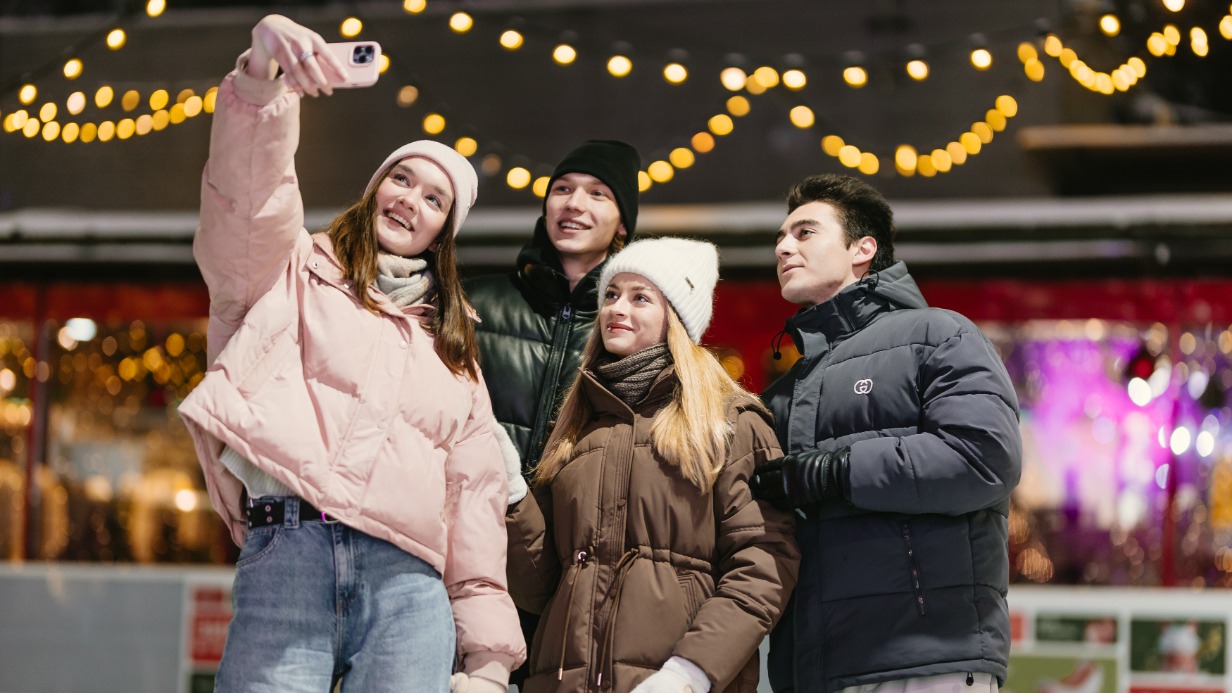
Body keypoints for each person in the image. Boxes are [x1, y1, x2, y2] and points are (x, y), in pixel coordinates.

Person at [176, 15, 524, 692]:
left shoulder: (454, 351)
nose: (411, 200)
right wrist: (261, 77)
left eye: (434, 199)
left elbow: (475, 504)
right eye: (402, 179)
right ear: (375, 189)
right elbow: (249, 200)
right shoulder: (289, 270)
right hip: (289, 555)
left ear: (442, 233)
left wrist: (488, 661)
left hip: (409, 588)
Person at [749, 174, 1022, 693]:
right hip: (814, 668)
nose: (783, 247)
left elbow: (984, 459)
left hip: (925, 659)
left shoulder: (938, 335)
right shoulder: (784, 392)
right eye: (780, 238)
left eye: (805, 232)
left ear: (863, 249)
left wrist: (836, 472)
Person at [504, 237, 801, 693]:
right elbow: (540, 589)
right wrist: (511, 494)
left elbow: (763, 563)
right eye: (611, 294)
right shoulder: (575, 429)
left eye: (640, 297)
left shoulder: (730, 422)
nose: (616, 308)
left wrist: (690, 672)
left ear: (675, 318)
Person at [463, 138, 641, 686]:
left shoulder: (630, 328)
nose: (574, 203)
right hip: (468, 559)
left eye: (598, 193)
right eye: (562, 189)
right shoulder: (475, 304)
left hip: (572, 573)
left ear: (623, 225)